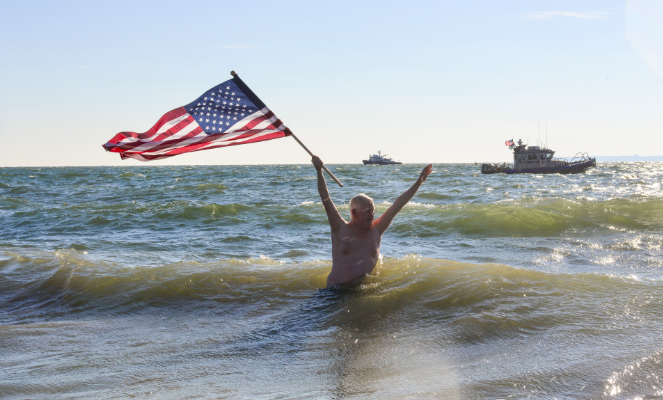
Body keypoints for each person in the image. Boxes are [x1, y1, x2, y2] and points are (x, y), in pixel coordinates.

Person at [311, 155, 432, 287]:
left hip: (360, 292)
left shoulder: (377, 230)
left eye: (373, 210)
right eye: (367, 211)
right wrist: (319, 171)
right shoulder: (340, 228)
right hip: (333, 292)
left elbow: (397, 205)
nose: (372, 214)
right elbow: (326, 199)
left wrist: (418, 183)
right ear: (354, 213)